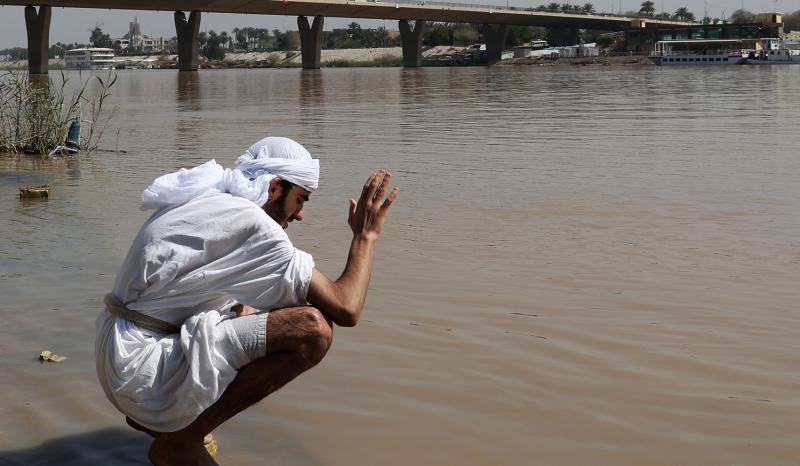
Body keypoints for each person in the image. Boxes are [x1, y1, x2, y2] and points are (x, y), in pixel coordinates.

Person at [95, 136, 399, 465]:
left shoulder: (208, 198)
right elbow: (346, 307)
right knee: (313, 330)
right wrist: (365, 237)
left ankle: (162, 422)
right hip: (139, 369)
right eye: (301, 199)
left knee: (248, 310)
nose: (300, 215)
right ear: (275, 188)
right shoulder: (252, 224)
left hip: (115, 353)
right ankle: (181, 440)